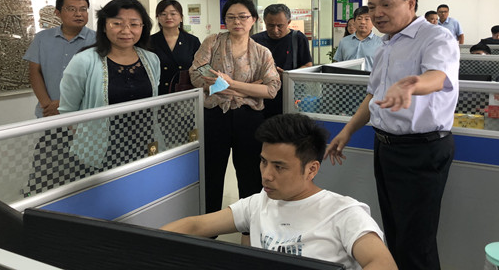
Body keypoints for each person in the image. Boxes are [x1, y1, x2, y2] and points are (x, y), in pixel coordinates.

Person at [326, 0, 459, 270]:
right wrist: (347, 131)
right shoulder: (385, 45)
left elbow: (438, 77)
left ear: (410, 3)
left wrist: (412, 85)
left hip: (421, 150)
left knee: (416, 242)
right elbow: (373, 95)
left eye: (386, 5)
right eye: (372, 7)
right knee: (395, 231)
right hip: (386, 146)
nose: (377, 14)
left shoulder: (435, 37)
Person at [162, 113, 397, 270]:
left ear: (311, 169)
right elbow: (195, 226)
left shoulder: (344, 212)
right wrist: (143, 245)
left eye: (279, 167)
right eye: (263, 162)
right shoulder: (257, 204)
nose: (266, 175)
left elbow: (383, 263)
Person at [189, 0, 281, 215]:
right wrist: (250, 87)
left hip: (248, 118)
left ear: (253, 20)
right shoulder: (212, 42)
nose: (237, 22)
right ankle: (209, 225)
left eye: (242, 17)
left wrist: (232, 85)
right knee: (211, 172)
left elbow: (271, 89)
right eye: (230, 17)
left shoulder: (262, 52)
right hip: (214, 116)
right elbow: (196, 74)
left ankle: (250, 224)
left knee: (250, 174)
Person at [59, 0, 161, 169]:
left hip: (146, 145)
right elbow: (68, 111)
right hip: (100, 152)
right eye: (117, 23)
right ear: (104, 26)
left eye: (134, 24)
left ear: (143, 27)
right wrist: (88, 140)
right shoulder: (84, 61)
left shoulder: (151, 59)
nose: (126, 30)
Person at [23, 0, 96, 118]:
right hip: (49, 112)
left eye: (83, 9)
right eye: (71, 9)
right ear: (57, 13)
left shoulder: (98, 40)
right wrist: (47, 105)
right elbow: (34, 72)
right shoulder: (42, 38)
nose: (78, 14)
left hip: (84, 112)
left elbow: (98, 79)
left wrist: (65, 105)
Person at [252, 3, 312, 118]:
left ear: (289, 22)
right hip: (261, 97)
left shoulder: (298, 38)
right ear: (264, 22)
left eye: (280, 25)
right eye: (270, 25)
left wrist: (287, 75)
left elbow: (307, 65)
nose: (275, 30)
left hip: (288, 95)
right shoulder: (255, 40)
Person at [150, 0, 200, 94]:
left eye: (173, 14)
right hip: (159, 93)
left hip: (185, 92)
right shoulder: (150, 41)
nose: (168, 17)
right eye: (163, 14)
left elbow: (201, 67)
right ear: (158, 18)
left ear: (181, 18)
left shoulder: (192, 41)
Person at [333, 6, 382, 71]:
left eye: (367, 19)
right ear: (354, 22)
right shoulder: (344, 41)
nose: (363, 22)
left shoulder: (381, 43)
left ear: (373, 22)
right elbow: (337, 64)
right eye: (359, 19)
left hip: (369, 77)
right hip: (347, 77)